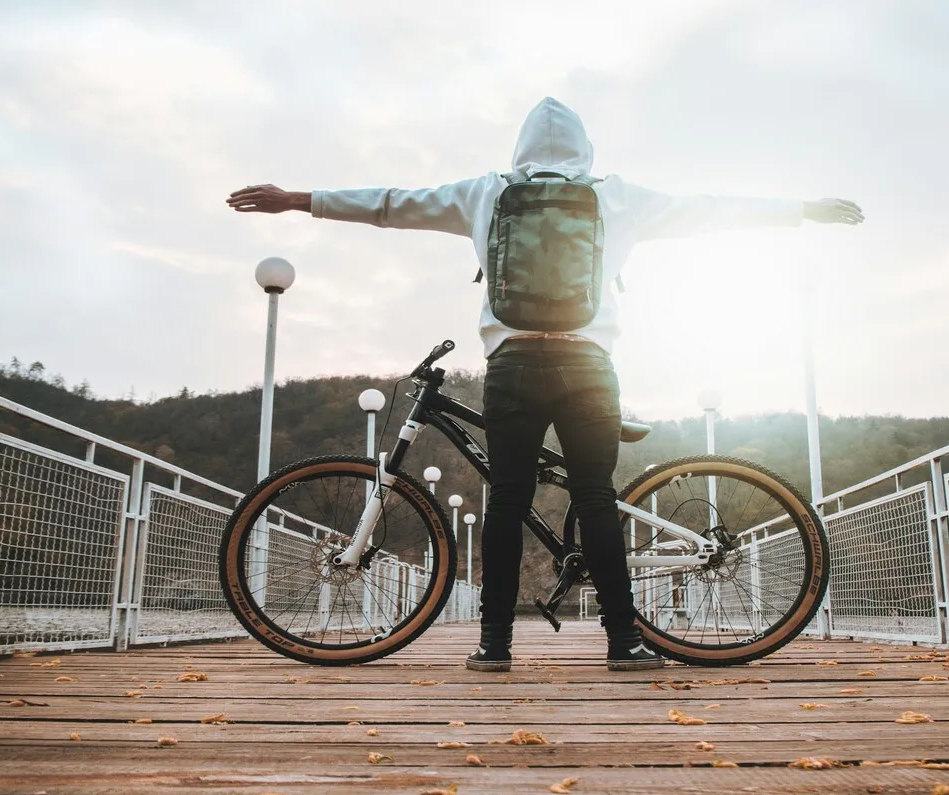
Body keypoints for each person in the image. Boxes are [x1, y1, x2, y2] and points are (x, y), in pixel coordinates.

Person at [227, 97, 863, 672]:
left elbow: (391, 203)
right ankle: (624, 644)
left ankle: (495, 645)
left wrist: (298, 199)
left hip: (514, 364)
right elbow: (712, 211)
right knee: (593, 494)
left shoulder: (485, 192)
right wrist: (801, 210)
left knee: (505, 498)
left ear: (520, 147)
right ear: (585, 148)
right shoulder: (617, 196)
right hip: (589, 364)